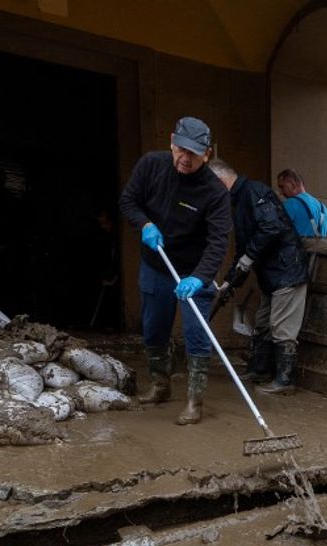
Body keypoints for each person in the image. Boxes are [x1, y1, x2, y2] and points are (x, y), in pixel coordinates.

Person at [118, 116, 231, 425]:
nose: (185, 158)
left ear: (206, 153)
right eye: (180, 149)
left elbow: (218, 241)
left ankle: (195, 401)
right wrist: (144, 224)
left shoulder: (215, 192)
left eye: (193, 153)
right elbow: (128, 201)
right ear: (171, 141)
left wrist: (200, 277)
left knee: (197, 334)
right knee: (153, 328)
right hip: (157, 263)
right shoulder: (151, 165)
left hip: (194, 270)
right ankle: (160, 384)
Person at [210, 159, 310, 395]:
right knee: (263, 323)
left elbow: (271, 227)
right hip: (270, 276)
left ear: (219, 181)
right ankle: (260, 369)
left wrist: (248, 258)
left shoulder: (254, 192)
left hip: (286, 271)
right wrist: (230, 281)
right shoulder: (239, 201)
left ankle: (285, 381)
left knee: (281, 327)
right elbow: (244, 247)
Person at [276, 169, 327, 238]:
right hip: (318, 248)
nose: (281, 192)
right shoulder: (323, 208)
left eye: (282, 187)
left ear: (292, 184)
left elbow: (276, 231)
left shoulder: (291, 203)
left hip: (298, 248)